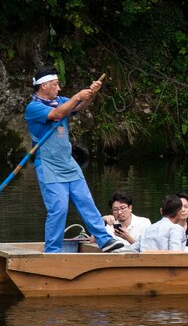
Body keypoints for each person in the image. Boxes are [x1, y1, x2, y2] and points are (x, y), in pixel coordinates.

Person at [25, 68, 126, 253]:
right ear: (44, 85)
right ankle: (53, 250)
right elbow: (57, 114)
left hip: (68, 163)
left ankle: (104, 240)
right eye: (55, 84)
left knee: (86, 201)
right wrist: (78, 95)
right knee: (59, 208)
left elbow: (79, 106)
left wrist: (90, 94)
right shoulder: (33, 108)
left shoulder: (61, 101)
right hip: (48, 165)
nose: (59, 87)